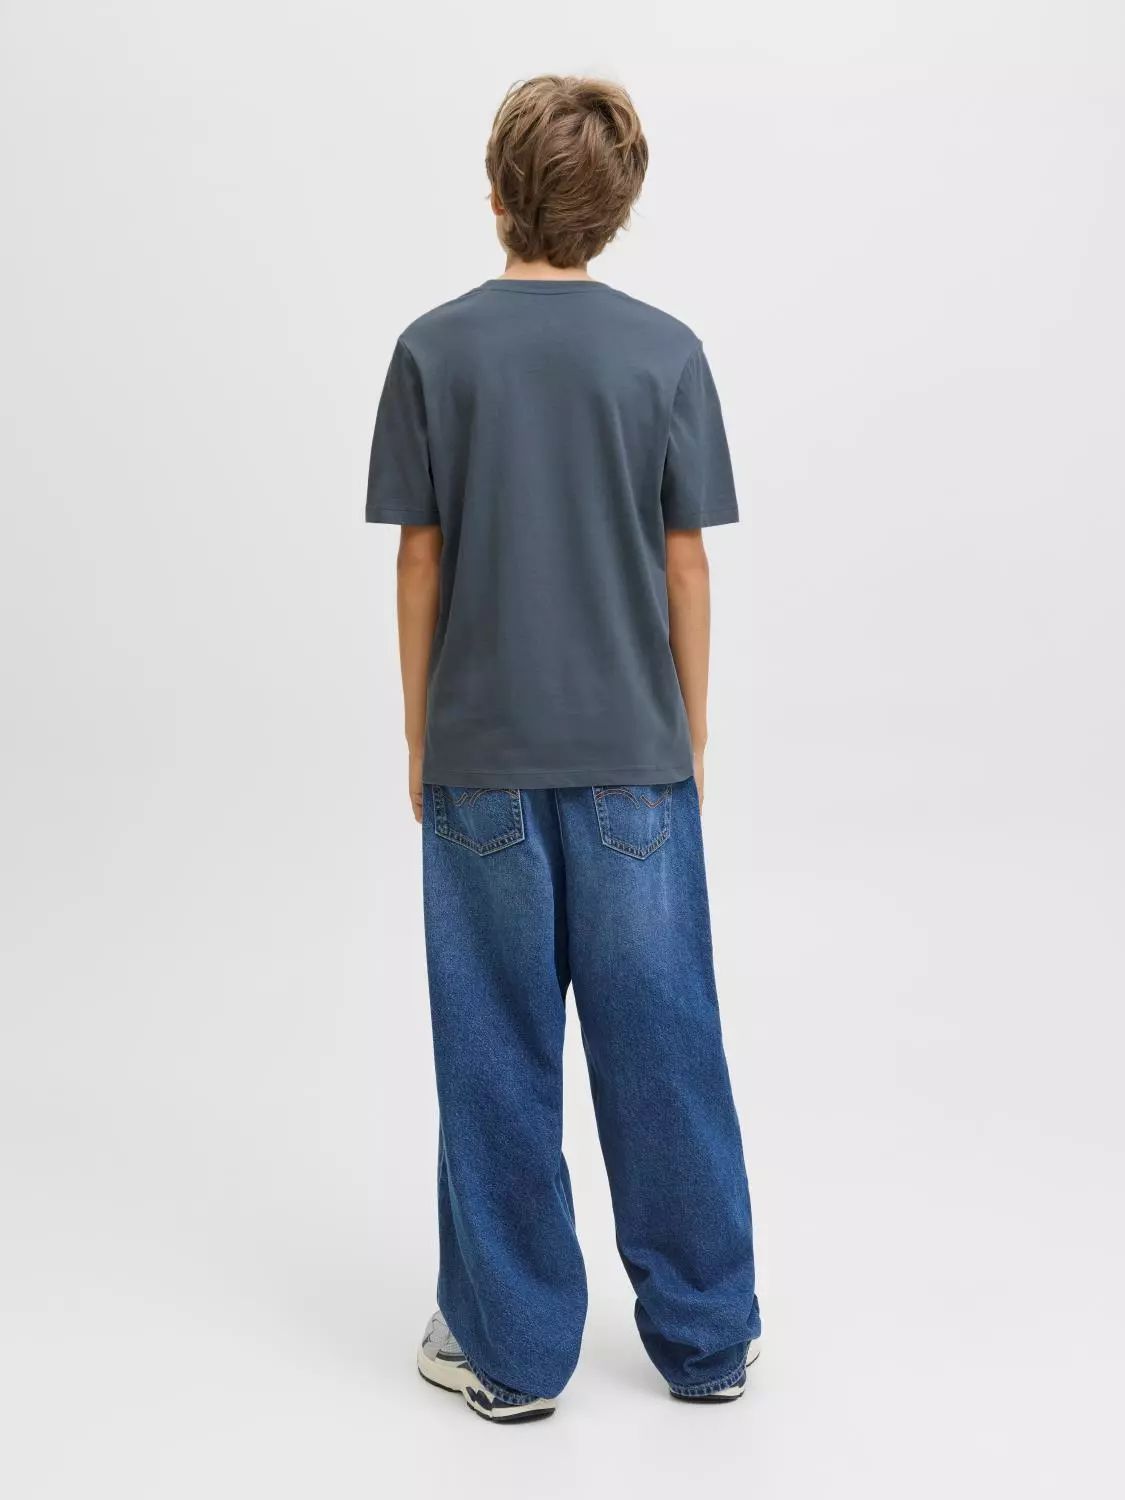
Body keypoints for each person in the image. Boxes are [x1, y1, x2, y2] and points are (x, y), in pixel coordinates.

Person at [366, 75, 760, 1424]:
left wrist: (419, 729)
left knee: (495, 1051)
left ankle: (514, 1354)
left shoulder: (431, 350)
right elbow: (686, 564)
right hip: (634, 761)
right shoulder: (667, 352)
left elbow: (420, 560)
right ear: (618, 208)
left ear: (496, 194)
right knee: (665, 1046)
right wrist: (686, 727)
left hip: (481, 758)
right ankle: (706, 1340)